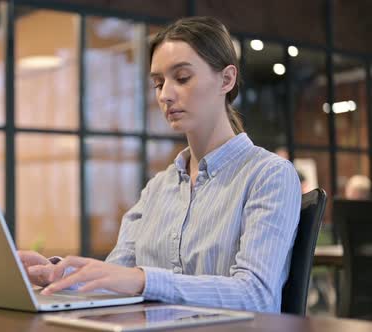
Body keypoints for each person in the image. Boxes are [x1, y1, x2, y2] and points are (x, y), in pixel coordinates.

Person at [18, 16, 301, 313]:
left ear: (226, 79)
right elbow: (116, 278)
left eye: (182, 78)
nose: (165, 95)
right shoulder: (158, 188)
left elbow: (256, 295)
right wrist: (59, 276)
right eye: (158, 83)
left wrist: (144, 280)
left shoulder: (268, 175)